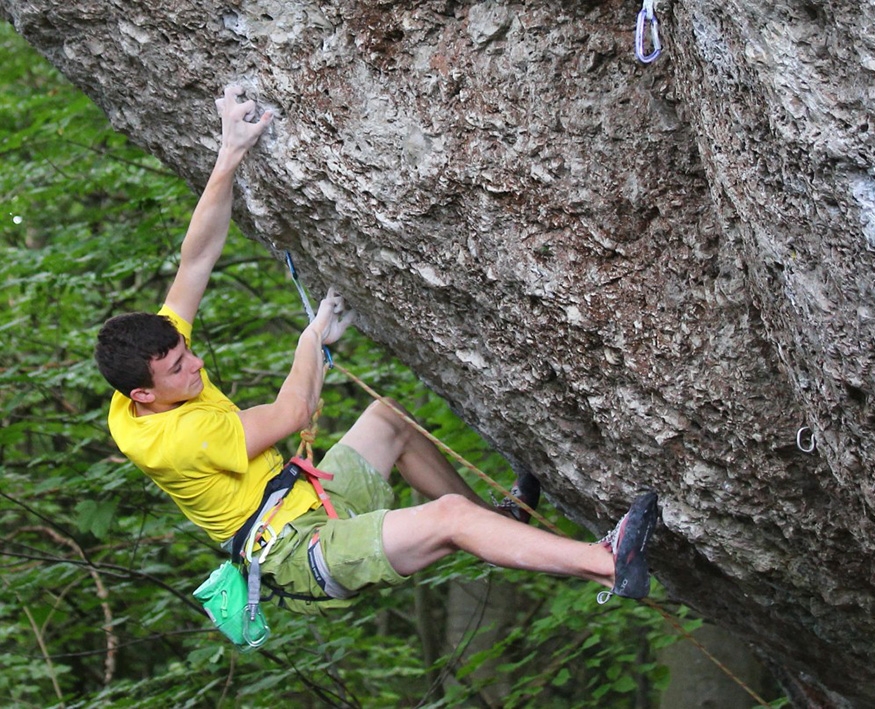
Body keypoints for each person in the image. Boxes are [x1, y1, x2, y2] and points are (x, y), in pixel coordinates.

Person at [95, 86, 659, 617]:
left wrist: (229, 154)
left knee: (390, 422)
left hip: (306, 499)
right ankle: (604, 564)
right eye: (179, 368)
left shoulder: (147, 369)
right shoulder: (175, 441)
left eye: (187, 352)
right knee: (447, 518)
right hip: (301, 553)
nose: (195, 364)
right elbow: (292, 416)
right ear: (145, 393)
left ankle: (498, 525)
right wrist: (309, 343)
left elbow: (195, 261)